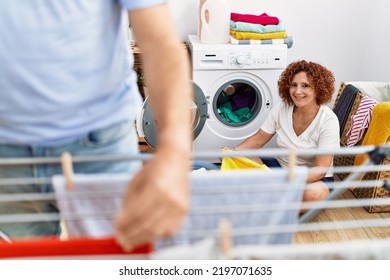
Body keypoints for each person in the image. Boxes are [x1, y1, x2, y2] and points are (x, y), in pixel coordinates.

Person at [0, 1, 192, 251]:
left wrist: (175, 154)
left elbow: (160, 44)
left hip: (102, 146)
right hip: (7, 157)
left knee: (117, 261)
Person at [224, 60, 340, 205]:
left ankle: (268, 198)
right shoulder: (281, 108)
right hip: (279, 169)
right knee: (240, 158)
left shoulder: (328, 120)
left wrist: (287, 180)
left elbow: (320, 169)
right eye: (293, 85)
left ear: (318, 89)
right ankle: (275, 199)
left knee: (314, 194)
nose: (297, 91)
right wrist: (232, 153)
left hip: (312, 179)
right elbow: (258, 140)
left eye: (305, 86)